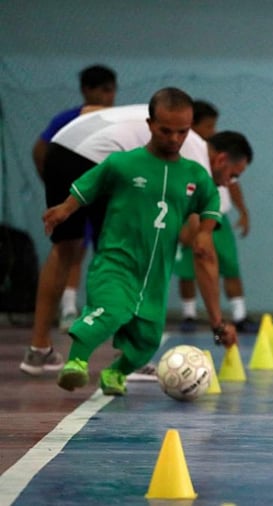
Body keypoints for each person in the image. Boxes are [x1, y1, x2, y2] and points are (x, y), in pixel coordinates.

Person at [44, 88, 248, 395]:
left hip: (156, 274)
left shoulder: (195, 175)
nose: (175, 139)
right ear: (150, 125)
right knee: (110, 310)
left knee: (148, 338)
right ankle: (76, 363)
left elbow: (209, 208)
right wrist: (64, 209)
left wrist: (204, 232)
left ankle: (116, 372)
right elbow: (88, 186)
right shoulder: (122, 164)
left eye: (182, 132)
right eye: (166, 131)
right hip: (117, 260)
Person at [31, 65, 117, 342]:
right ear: (86, 90)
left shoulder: (115, 120)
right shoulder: (68, 119)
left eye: (112, 90)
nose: (109, 96)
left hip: (103, 193)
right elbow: (40, 150)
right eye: (103, 90)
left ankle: (108, 316)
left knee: (109, 253)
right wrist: (54, 186)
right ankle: (65, 312)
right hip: (74, 192)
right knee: (69, 248)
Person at [173, 100, 257, 333]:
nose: (213, 130)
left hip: (216, 219)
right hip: (189, 219)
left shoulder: (220, 163)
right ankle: (189, 315)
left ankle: (238, 315)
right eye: (209, 125)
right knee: (188, 270)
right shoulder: (184, 157)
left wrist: (243, 211)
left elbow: (233, 184)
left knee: (229, 267)